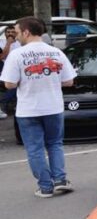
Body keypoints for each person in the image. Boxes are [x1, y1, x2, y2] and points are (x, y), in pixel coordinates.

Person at [0, 17, 76, 198]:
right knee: (55, 144)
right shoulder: (56, 52)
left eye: (17, 32)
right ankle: (60, 180)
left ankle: (45, 187)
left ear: (26, 32)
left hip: (28, 109)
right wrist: (50, 81)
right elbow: (69, 81)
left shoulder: (17, 55)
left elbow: (9, 84)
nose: (16, 36)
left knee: (35, 149)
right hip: (53, 107)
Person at [0, 26, 21, 118]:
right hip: (3, 67)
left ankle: (11, 104)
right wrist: (8, 43)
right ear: (5, 33)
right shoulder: (1, 42)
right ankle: (4, 103)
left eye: (12, 32)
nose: (10, 34)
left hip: (17, 68)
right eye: (8, 32)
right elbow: (3, 57)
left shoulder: (20, 43)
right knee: (13, 85)